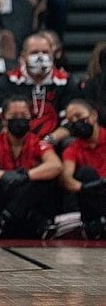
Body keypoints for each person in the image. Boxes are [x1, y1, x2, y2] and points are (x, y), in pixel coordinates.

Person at [0, 96, 62, 239]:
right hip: (1, 199)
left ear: (31, 119)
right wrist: (4, 175)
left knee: (44, 173)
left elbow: (56, 165)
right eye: (14, 116)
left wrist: (27, 175)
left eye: (24, 116)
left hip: (23, 208)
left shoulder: (38, 142)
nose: (19, 120)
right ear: (4, 120)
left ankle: (4, 218)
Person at [0, 32, 80, 147]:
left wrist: (47, 142)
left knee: (71, 143)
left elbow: (70, 122)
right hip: (15, 142)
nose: (40, 57)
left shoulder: (66, 82)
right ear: (23, 56)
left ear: (53, 55)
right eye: (34, 52)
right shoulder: (8, 81)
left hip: (54, 142)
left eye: (45, 52)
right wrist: (25, 143)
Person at [59, 100, 106, 239]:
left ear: (94, 115)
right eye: (71, 120)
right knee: (86, 173)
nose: (76, 122)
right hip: (92, 198)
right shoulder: (72, 148)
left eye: (79, 116)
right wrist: (87, 187)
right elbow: (66, 179)